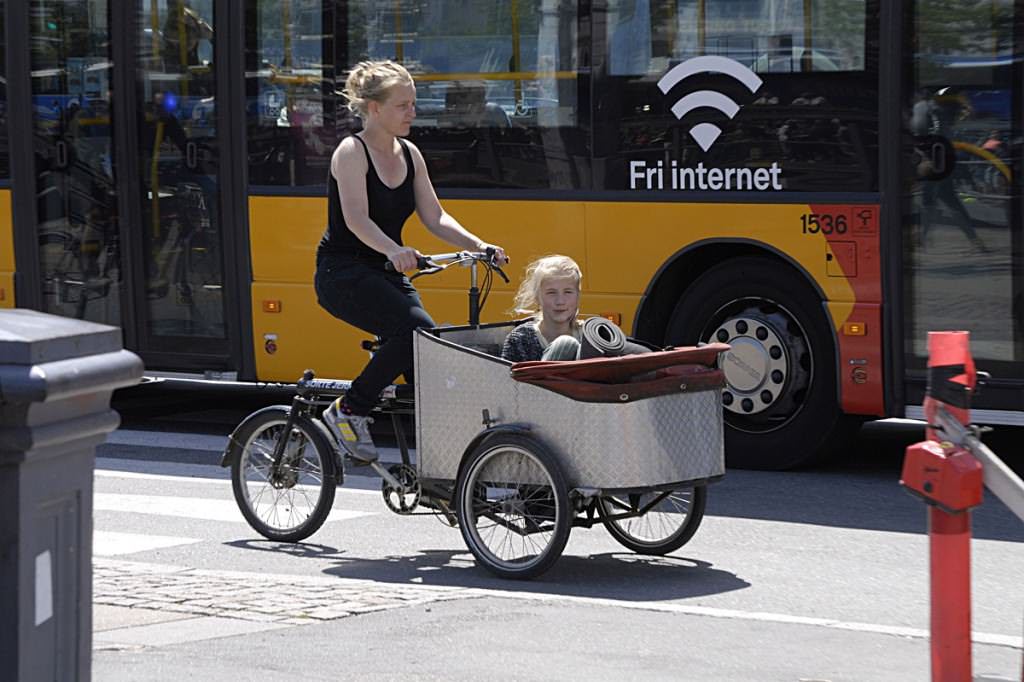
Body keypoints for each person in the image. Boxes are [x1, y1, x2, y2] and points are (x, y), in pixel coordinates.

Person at [316, 60, 507, 462]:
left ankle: (440, 466)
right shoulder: (352, 153)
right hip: (343, 272)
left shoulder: (410, 153)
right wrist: (394, 249)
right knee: (416, 330)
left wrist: (480, 245)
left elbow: (435, 216)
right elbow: (356, 219)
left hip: (384, 271)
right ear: (374, 108)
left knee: (429, 359)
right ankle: (348, 411)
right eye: (403, 105)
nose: (412, 113)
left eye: (413, 104)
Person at [501, 255, 583, 363]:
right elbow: (503, 378)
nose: (560, 301)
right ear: (537, 297)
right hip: (528, 380)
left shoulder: (590, 336)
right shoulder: (521, 339)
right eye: (551, 293)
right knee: (566, 344)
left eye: (568, 292)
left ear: (578, 295)